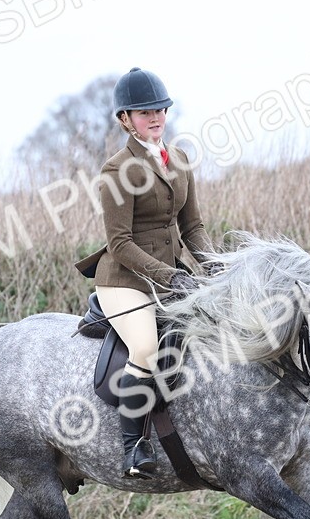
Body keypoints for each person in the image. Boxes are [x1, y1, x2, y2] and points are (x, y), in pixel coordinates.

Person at [74, 67, 213, 479]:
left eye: (159, 110)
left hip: (173, 273)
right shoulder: (118, 170)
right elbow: (119, 243)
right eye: (143, 112)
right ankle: (132, 448)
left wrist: (217, 271)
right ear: (125, 119)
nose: (154, 117)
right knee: (146, 350)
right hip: (124, 279)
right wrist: (170, 278)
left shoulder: (181, 159)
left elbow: (193, 229)